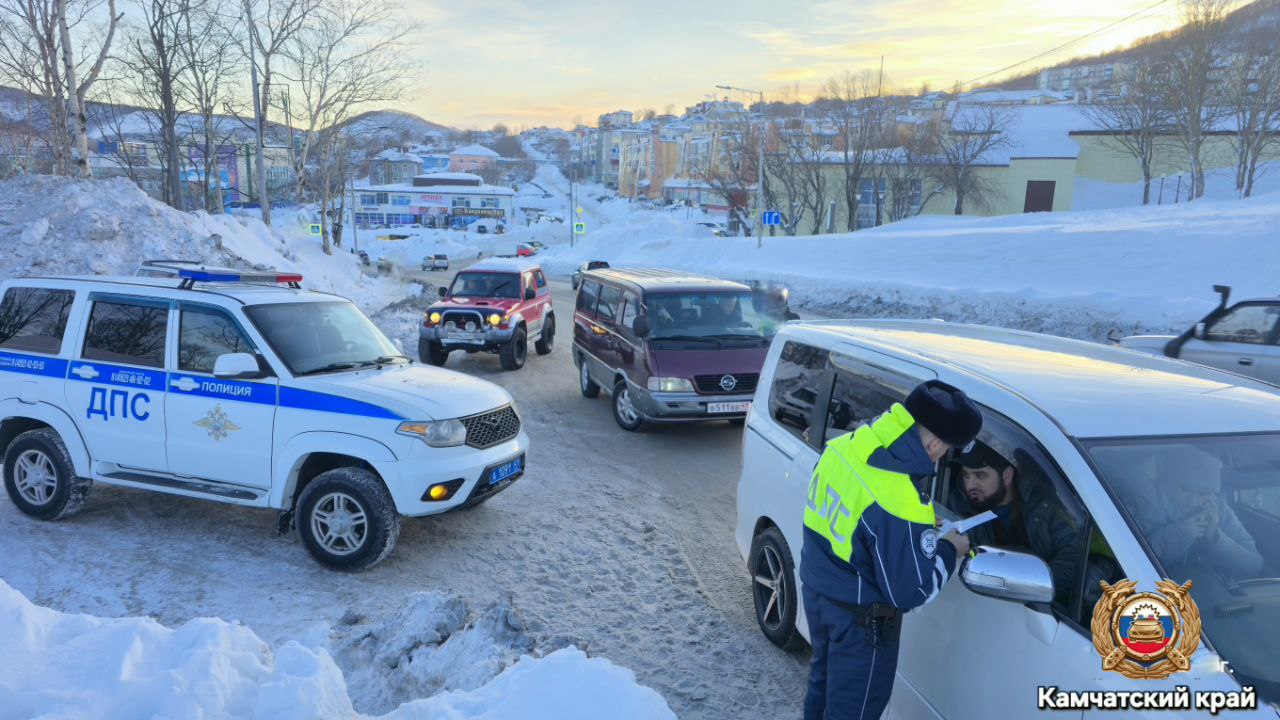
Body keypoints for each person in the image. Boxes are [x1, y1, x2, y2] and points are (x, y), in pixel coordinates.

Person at [800, 379, 982, 720]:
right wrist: (949, 549)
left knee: (821, 687)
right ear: (934, 444)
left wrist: (911, 532)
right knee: (852, 712)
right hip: (860, 625)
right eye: (946, 449)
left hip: (818, 593)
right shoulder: (899, 500)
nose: (943, 456)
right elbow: (910, 592)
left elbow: (853, 519)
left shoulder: (844, 447)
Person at [954, 441, 1080, 603]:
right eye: (966, 475)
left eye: (980, 475)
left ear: (1007, 476)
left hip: (1042, 608)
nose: (970, 485)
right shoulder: (961, 512)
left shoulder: (1043, 506)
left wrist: (1035, 589)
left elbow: (1073, 555)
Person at [1129, 445, 1262, 581]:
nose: (1192, 500)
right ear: (1169, 480)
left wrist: (1214, 537)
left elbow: (1253, 566)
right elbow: (1132, 563)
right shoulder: (1145, 504)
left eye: (1203, 493)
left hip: (1216, 592)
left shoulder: (1218, 509)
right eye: (1186, 489)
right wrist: (1180, 534)